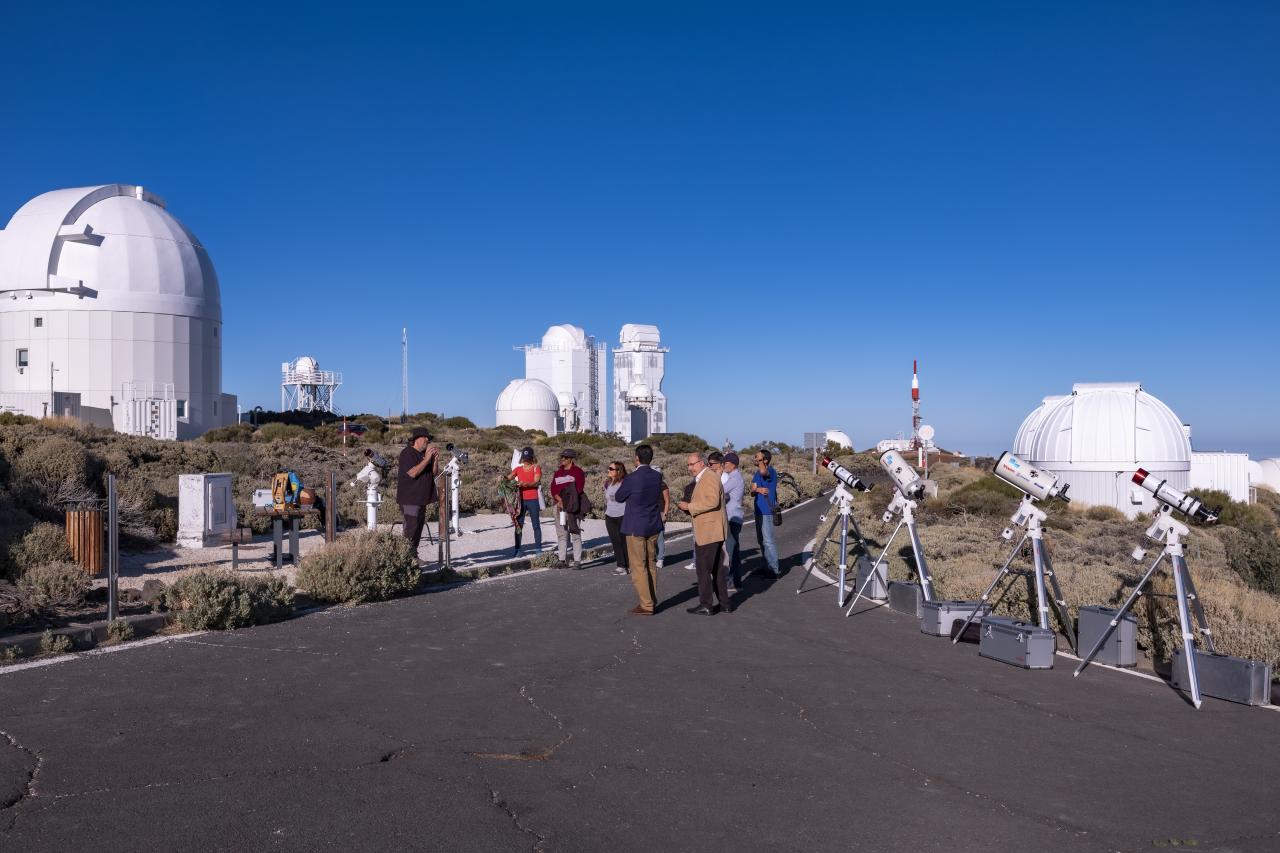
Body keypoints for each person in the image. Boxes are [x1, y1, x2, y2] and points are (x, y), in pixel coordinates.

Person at [614, 443, 665, 615]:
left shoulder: (632, 478)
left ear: (636, 458)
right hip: (652, 523)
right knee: (651, 564)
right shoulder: (657, 476)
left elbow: (619, 497)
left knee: (638, 566)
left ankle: (646, 604)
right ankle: (651, 599)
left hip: (635, 525)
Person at [678, 453, 729, 615]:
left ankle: (706, 605)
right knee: (717, 570)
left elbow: (712, 501)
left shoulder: (709, 477)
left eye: (692, 464)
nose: (689, 468)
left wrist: (689, 507)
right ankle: (725, 604)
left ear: (701, 463)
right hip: (712, 530)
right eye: (688, 465)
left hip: (708, 531)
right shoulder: (707, 477)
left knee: (703, 570)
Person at [397, 428, 439, 563]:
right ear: (417, 439)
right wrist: (427, 459)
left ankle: (413, 556)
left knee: (418, 527)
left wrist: (435, 459)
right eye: (425, 438)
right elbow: (412, 473)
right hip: (410, 498)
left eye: (429, 439)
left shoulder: (424, 455)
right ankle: (404, 559)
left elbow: (434, 472)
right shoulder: (407, 453)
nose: (428, 441)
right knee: (411, 527)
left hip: (422, 498)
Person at [550, 449, 587, 569]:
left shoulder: (578, 472)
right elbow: (553, 488)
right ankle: (562, 560)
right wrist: (558, 499)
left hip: (573, 506)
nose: (563, 459)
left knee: (575, 532)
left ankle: (577, 561)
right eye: (562, 457)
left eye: (565, 458)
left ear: (571, 459)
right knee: (562, 533)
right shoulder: (558, 473)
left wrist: (567, 500)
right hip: (559, 506)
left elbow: (579, 489)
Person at [506, 447, 544, 558]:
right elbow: (509, 478)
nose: (526, 460)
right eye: (524, 458)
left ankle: (538, 549)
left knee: (536, 525)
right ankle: (518, 550)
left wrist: (525, 484)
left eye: (528, 458)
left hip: (533, 499)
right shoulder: (518, 469)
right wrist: (502, 479)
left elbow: (536, 482)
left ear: (532, 457)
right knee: (518, 525)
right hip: (521, 500)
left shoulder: (536, 468)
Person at [751, 448, 781, 577]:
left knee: (768, 541)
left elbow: (764, 472)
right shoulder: (757, 473)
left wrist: (760, 462)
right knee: (761, 540)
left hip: (767, 512)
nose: (755, 459)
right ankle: (766, 566)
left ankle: (774, 569)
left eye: (757, 457)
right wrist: (757, 490)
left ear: (765, 460)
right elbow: (752, 490)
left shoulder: (771, 471)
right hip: (758, 511)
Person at [720, 452, 746, 591]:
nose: (724, 465)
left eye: (726, 463)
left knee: (731, 551)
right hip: (735, 517)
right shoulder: (735, 477)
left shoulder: (734, 478)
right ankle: (735, 582)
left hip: (732, 517)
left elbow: (720, 490)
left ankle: (731, 582)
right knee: (734, 550)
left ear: (733, 464)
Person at [603, 461, 629, 576]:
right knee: (615, 541)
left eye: (611, 469)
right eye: (608, 468)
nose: (608, 470)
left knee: (625, 541)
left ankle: (629, 565)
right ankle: (621, 565)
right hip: (610, 516)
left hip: (623, 515)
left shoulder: (625, 482)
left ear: (618, 471)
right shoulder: (607, 483)